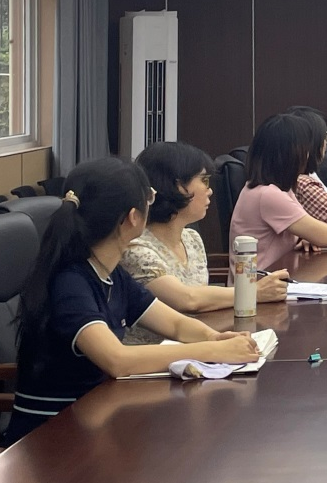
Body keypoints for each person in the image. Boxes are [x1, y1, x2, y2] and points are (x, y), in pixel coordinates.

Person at [2, 158, 260, 446]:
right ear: (133, 217)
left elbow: (175, 324)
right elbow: (117, 360)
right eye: (149, 198)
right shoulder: (70, 282)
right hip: (50, 439)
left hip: (93, 423)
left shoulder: (110, 273)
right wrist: (213, 350)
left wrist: (215, 337)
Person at [120, 142, 288, 343]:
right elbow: (187, 299)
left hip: (197, 346)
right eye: (204, 181)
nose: (210, 191)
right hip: (155, 356)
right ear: (178, 187)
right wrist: (254, 292)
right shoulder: (136, 248)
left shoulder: (192, 239)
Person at [232, 113, 327, 270]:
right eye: (305, 149)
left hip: (273, 276)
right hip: (260, 283)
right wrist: (312, 235)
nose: (307, 155)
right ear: (292, 154)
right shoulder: (268, 195)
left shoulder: (264, 189)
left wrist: (304, 237)